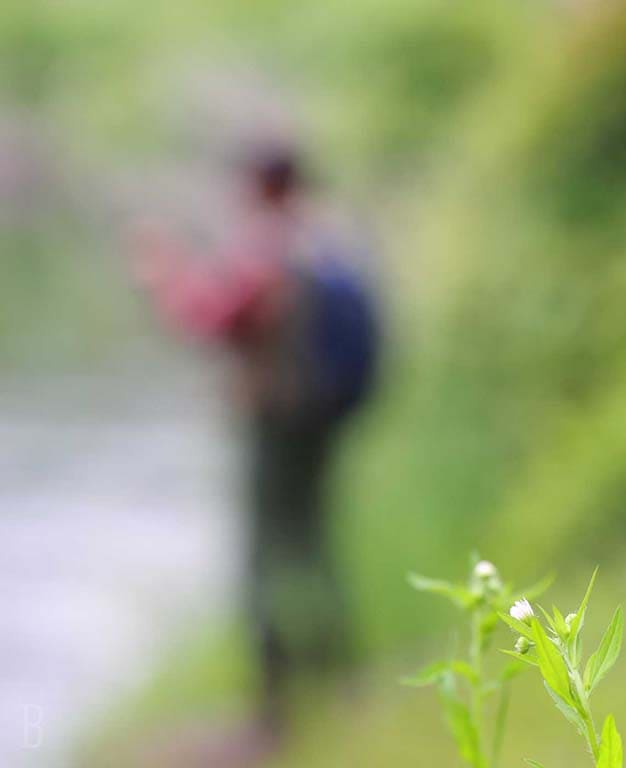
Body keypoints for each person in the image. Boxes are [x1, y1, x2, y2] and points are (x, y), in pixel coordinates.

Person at [134, 143, 379, 754]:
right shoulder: (326, 239)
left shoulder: (266, 248)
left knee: (263, 558)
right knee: (314, 543)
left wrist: (163, 273)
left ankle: (270, 713)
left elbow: (211, 319)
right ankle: (344, 681)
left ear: (257, 187)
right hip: (322, 420)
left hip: (278, 425)